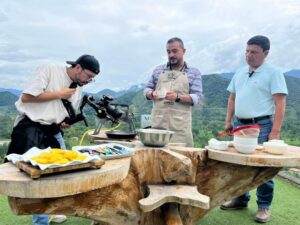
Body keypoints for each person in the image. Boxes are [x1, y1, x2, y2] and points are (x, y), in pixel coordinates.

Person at [6, 54, 100, 225]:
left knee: (62, 172)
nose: (89, 81)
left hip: (54, 131)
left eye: (92, 79)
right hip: (31, 128)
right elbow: (26, 97)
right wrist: (59, 94)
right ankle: (40, 221)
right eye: (88, 76)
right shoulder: (49, 69)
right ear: (78, 67)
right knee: (37, 178)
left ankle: (51, 211)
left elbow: (60, 110)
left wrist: (63, 122)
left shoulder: (79, 86)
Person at [220, 35, 288, 223]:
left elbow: (280, 103)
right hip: (240, 124)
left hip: (262, 126)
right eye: (247, 51)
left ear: (266, 53)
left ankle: (264, 207)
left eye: (254, 52)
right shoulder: (240, 72)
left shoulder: (274, 73)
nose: (249, 55)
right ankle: (241, 199)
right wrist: (228, 121)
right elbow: (232, 98)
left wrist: (275, 131)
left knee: (262, 166)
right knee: (240, 165)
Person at [144, 37, 203, 147]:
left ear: (184, 51)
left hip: (180, 128)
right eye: (168, 51)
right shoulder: (158, 70)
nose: (171, 55)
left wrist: (177, 97)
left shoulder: (194, 72)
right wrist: (151, 94)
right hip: (158, 126)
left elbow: (197, 98)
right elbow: (147, 89)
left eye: (175, 51)